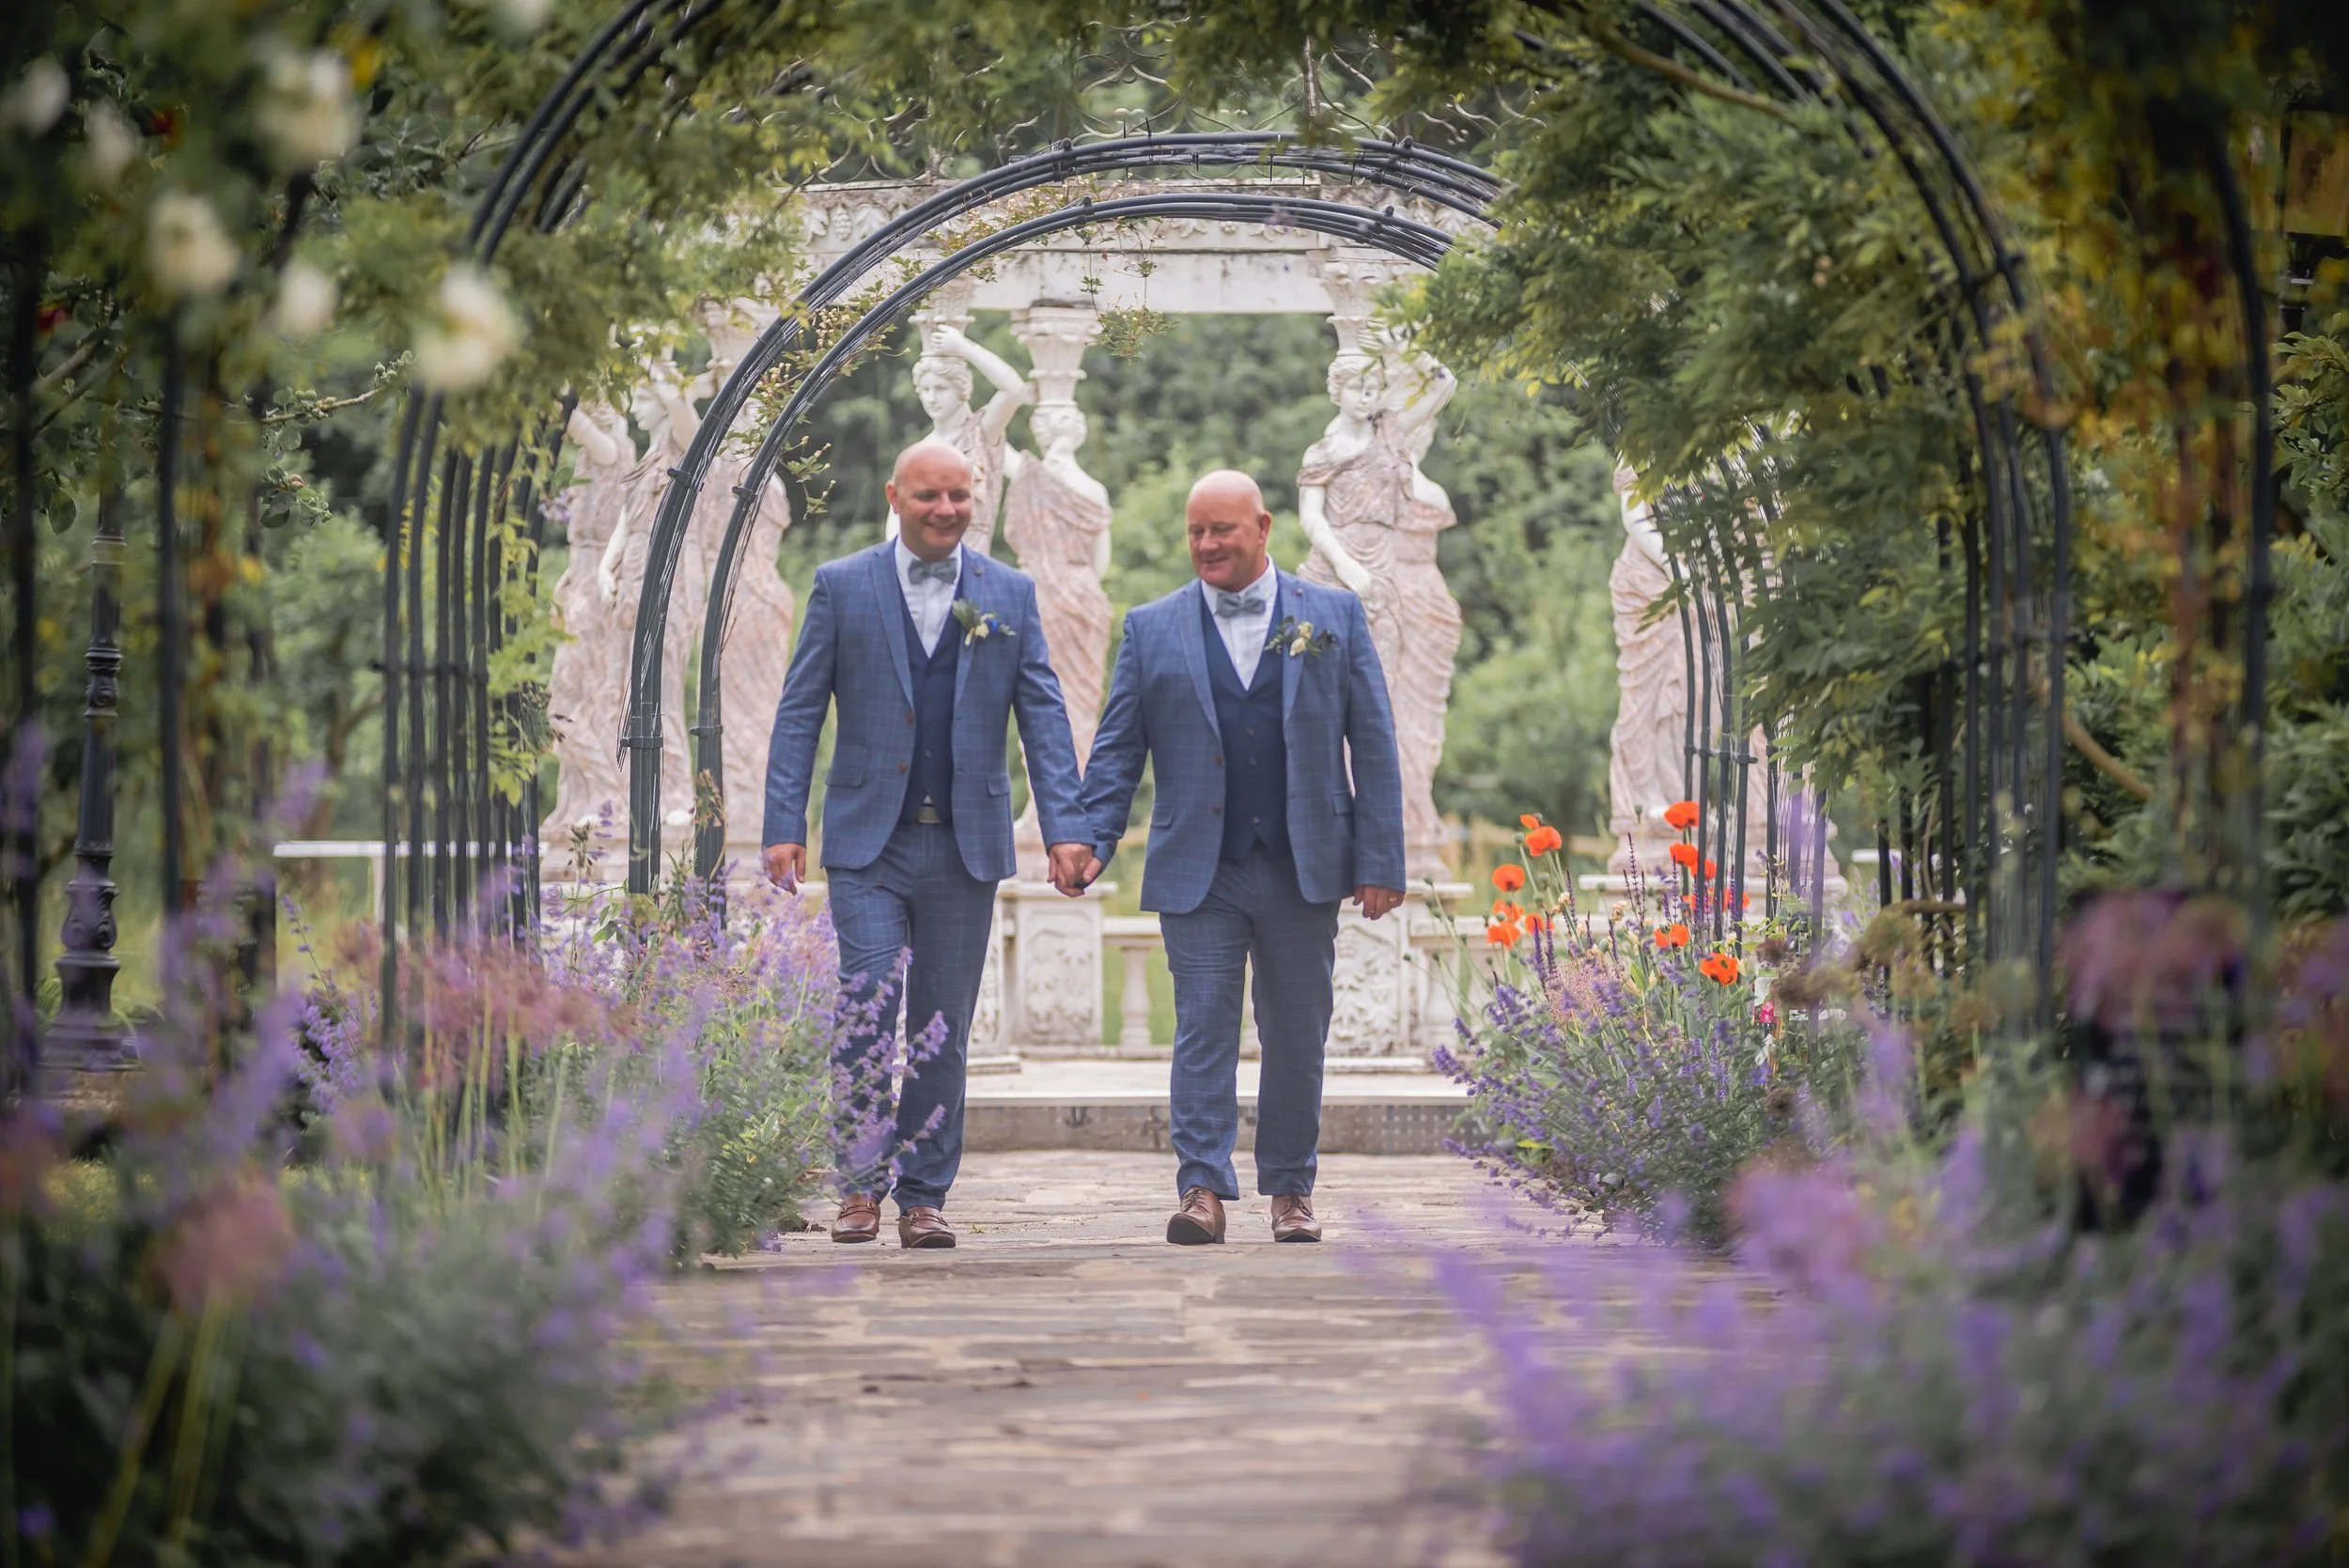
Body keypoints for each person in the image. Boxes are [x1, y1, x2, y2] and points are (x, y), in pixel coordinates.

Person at [762, 440, 1096, 1250]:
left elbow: (1043, 714)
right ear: (895, 496)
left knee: (941, 1025)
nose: (945, 510)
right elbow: (801, 709)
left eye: (958, 495)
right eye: (928, 497)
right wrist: (782, 824)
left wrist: (1066, 827)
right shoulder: (841, 585)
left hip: (966, 846)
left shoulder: (1008, 591)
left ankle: (922, 1195)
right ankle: (858, 1184)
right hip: (867, 843)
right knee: (869, 1001)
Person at [1074, 470, 1406, 1245]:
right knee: (1202, 1028)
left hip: (1304, 860)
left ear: (1262, 528)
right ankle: (1201, 1188)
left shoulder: (1334, 615)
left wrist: (1381, 857)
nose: (1207, 544)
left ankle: (1291, 1188)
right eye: (1195, 531)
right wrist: (1090, 842)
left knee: (1297, 1029)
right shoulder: (1150, 627)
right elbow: (1119, 749)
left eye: (1222, 530)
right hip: (1200, 862)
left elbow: (1376, 741)